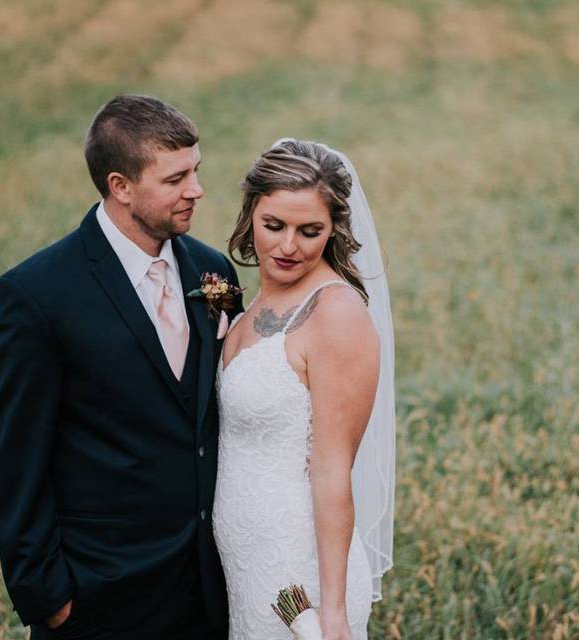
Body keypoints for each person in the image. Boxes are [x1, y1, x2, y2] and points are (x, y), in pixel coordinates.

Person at [0, 94, 241, 639]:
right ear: (120, 186)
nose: (197, 190)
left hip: (211, 589)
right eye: (175, 179)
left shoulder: (213, 270)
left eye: (196, 171)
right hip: (100, 599)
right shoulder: (34, 296)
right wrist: (47, 596)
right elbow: (11, 462)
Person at [212, 139, 395, 640]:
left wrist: (331, 612)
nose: (288, 246)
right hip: (244, 569)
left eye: (309, 231)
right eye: (274, 226)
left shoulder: (337, 315)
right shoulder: (250, 305)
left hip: (299, 579)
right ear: (251, 214)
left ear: (334, 228)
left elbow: (334, 468)